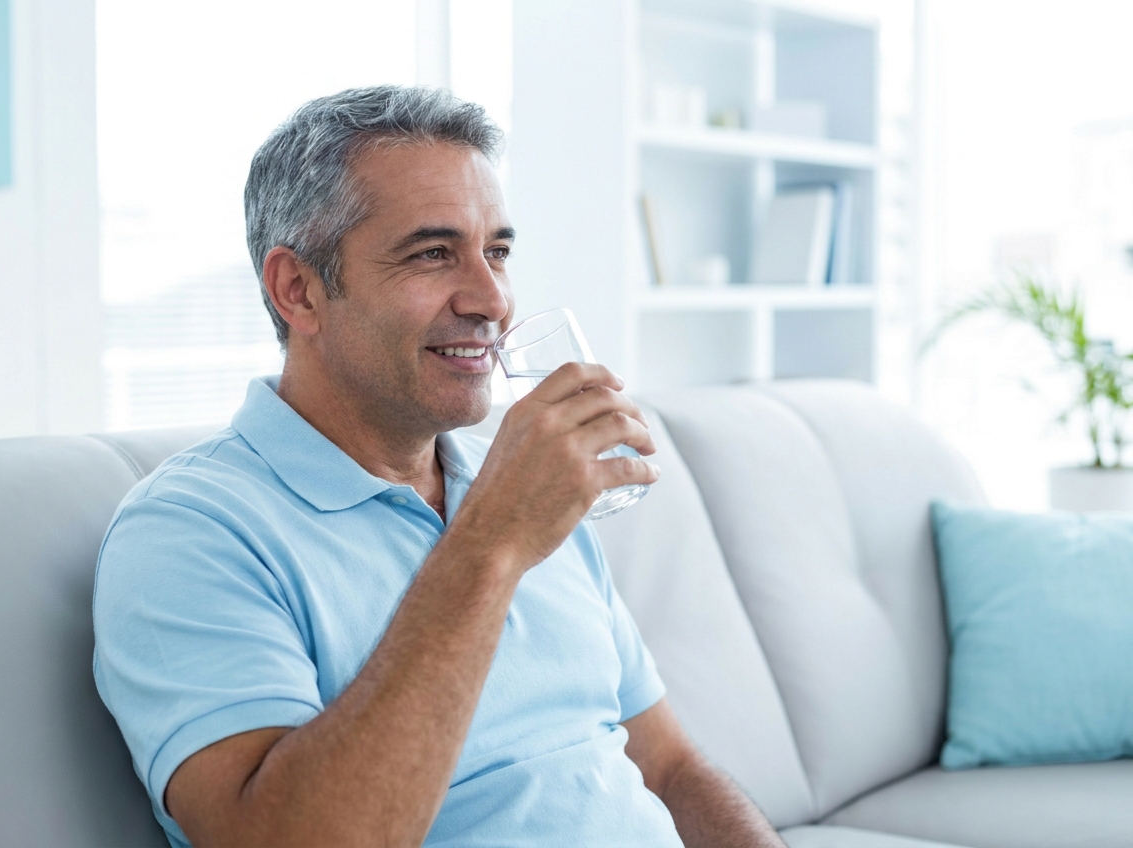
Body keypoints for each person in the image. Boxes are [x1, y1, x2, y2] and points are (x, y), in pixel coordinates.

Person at [93, 84, 785, 848]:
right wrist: (491, 543)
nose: (492, 299)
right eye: (432, 253)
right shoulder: (190, 532)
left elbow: (670, 770)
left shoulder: (516, 483)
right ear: (299, 290)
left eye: (497, 252)